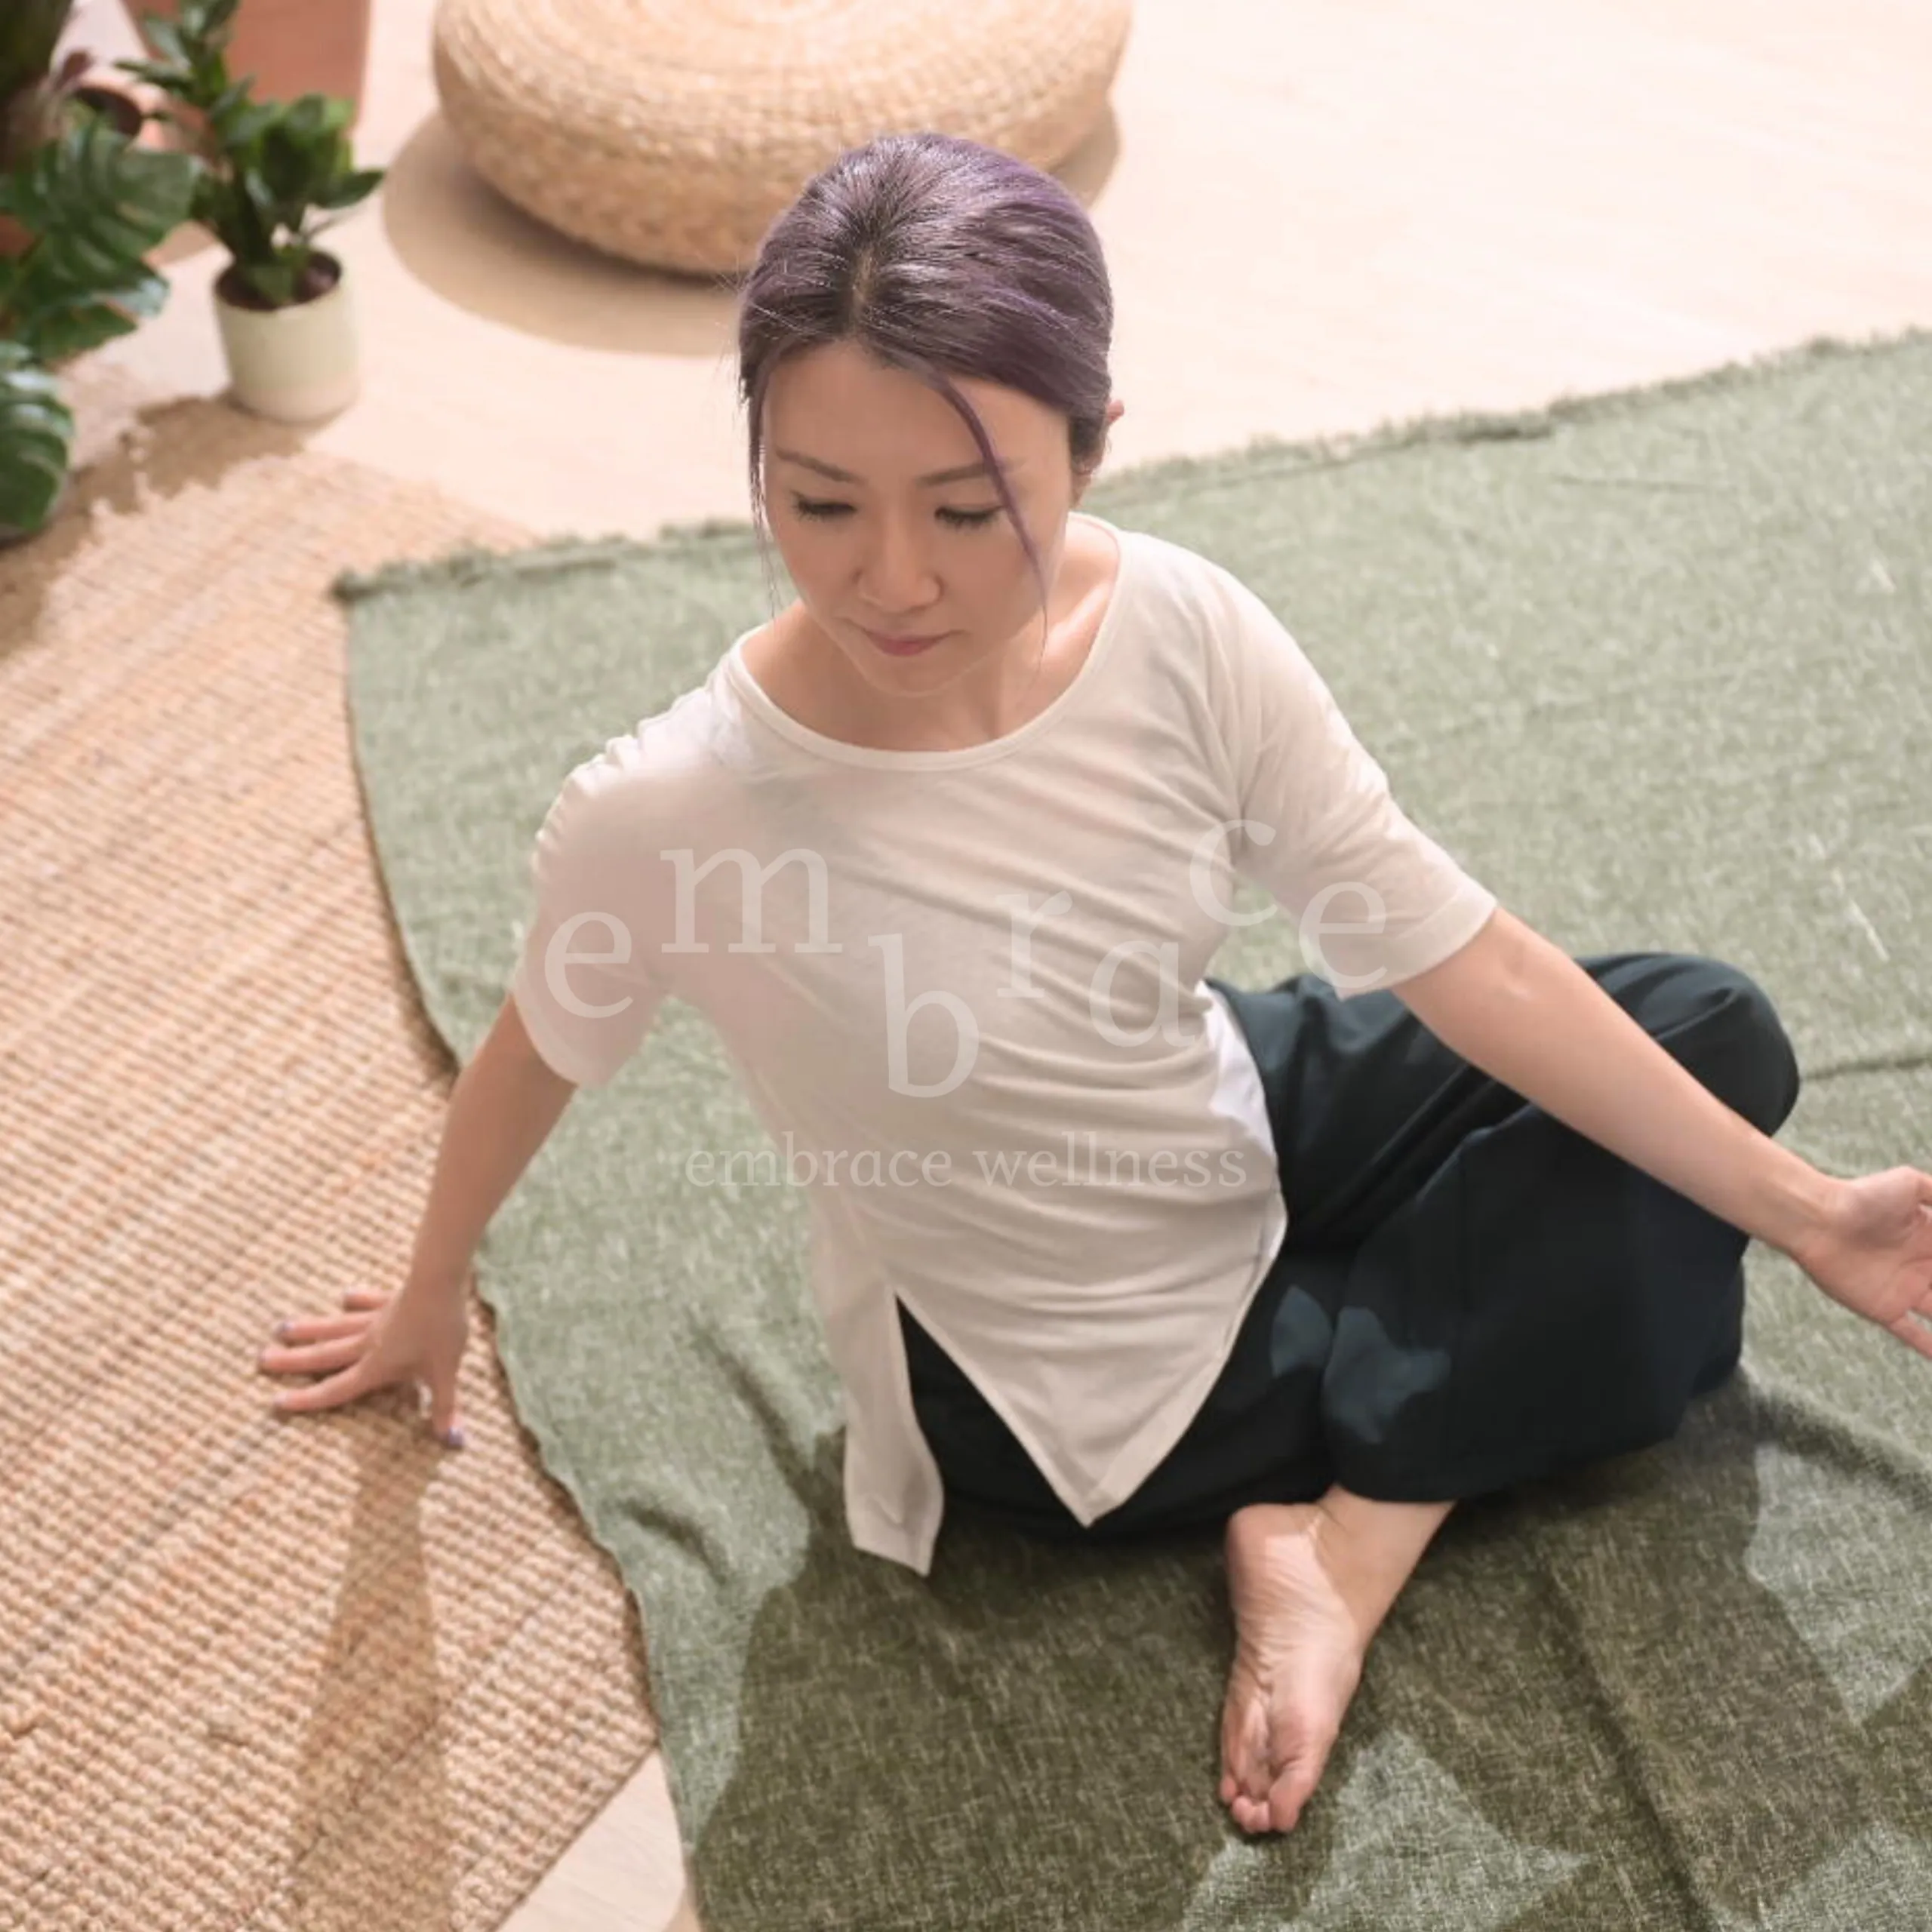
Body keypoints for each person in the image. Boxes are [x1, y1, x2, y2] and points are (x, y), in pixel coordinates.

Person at [256, 131, 1932, 1841]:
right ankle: (1337, 1537)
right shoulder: (670, 811)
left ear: (1090, 443)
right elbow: (539, 1045)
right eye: (817, 500)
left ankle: (1379, 1457)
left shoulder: (1181, 630)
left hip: (1211, 1086)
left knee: (1710, 1038)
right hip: (1075, 1365)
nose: (887, 580)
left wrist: (1807, 1213)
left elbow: (1459, 951)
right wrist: (427, 1288)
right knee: (1615, 1245)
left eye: (966, 509)